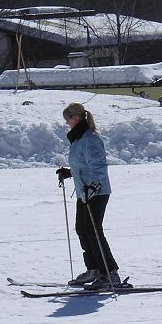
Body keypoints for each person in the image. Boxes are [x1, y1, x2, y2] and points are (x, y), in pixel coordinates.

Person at [56, 103, 121, 290]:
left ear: (75, 118)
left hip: (96, 192)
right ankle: (94, 269)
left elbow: (98, 166)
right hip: (85, 191)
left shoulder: (89, 138)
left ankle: (110, 273)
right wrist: (69, 172)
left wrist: (93, 186)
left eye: (67, 119)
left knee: (93, 230)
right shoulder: (79, 138)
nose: (67, 123)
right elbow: (84, 164)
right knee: (82, 229)